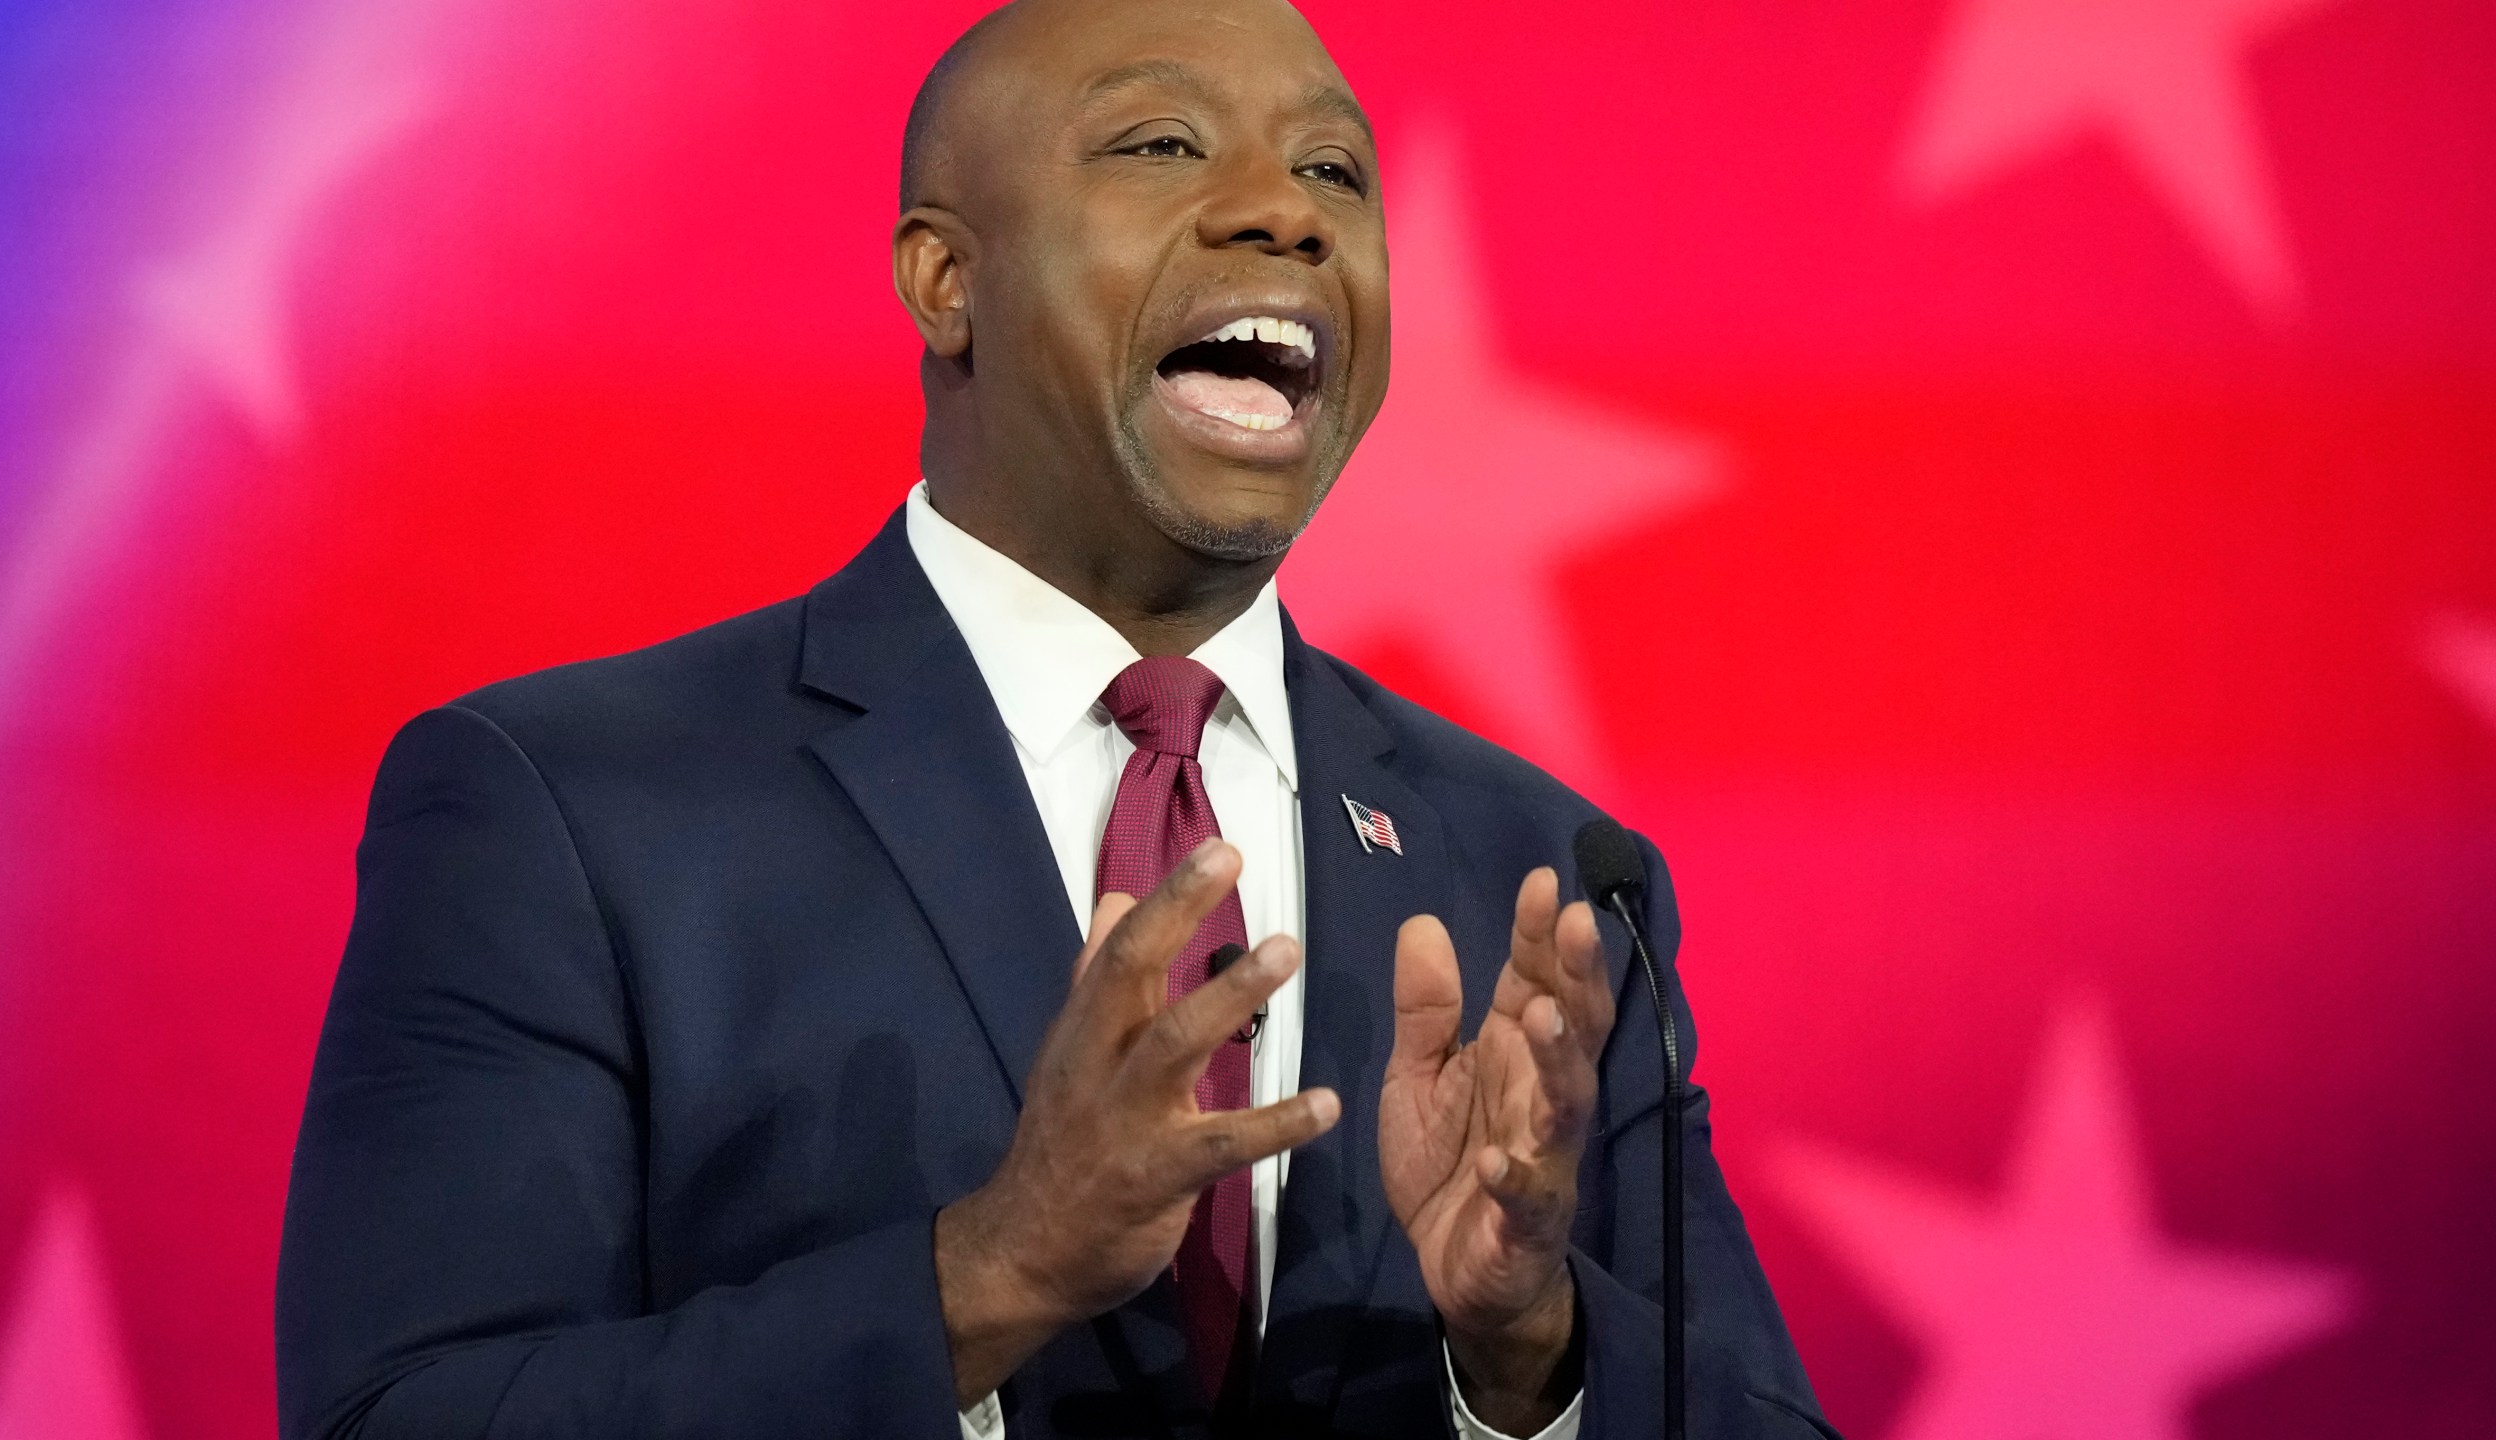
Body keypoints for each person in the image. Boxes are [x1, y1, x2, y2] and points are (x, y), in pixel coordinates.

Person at [274, 1, 1833, 1435]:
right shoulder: (567, 810)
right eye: (1159, 145)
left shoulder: (1544, 872)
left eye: (1335, 172)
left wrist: (1531, 1351)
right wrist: (987, 1277)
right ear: (947, 280)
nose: (1284, 212)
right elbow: (398, 1416)